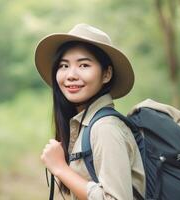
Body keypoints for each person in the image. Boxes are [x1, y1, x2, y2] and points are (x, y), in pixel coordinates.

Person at [35, 23, 145, 200]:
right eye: (63, 66)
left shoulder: (105, 128)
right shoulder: (85, 125)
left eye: (84, 65)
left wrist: (60, 168)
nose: (71, 75)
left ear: (107, 74)